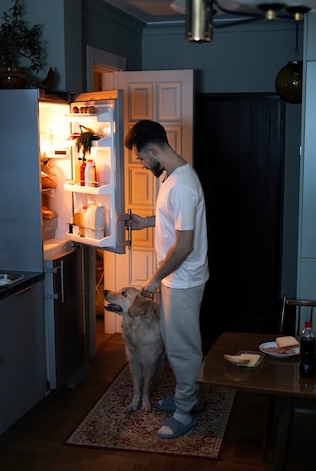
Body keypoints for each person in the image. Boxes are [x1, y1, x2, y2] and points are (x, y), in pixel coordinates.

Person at [124, 119, 209, 439]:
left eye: (142, 158)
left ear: (155, 149)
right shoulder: (171, 177)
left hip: (183, 280)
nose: (142, 164)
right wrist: (146, 221)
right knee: (175, 344)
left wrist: (154, 279)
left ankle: (185, 411)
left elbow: (184, 246)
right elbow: (173, 224)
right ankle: (187, 395)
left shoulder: (184, 185)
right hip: (176, 279)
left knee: (183, 347)